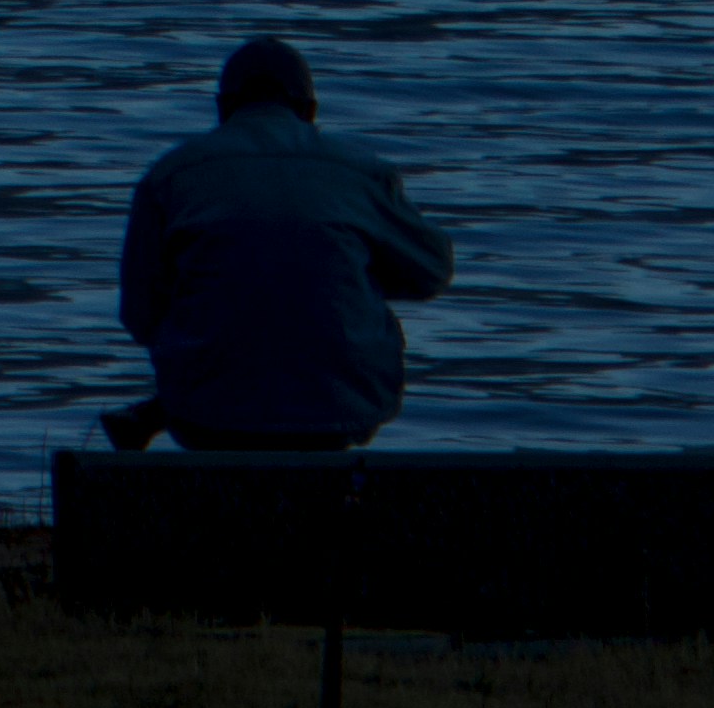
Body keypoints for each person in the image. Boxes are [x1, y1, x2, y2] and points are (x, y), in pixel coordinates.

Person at [98, 36, 453, 452]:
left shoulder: (170, 175)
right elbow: (433, 271)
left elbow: (139, 315)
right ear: (311, 112)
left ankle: (164, 409)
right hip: (340, 407)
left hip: (210, 413)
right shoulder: (362, 174)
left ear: (222, 108)